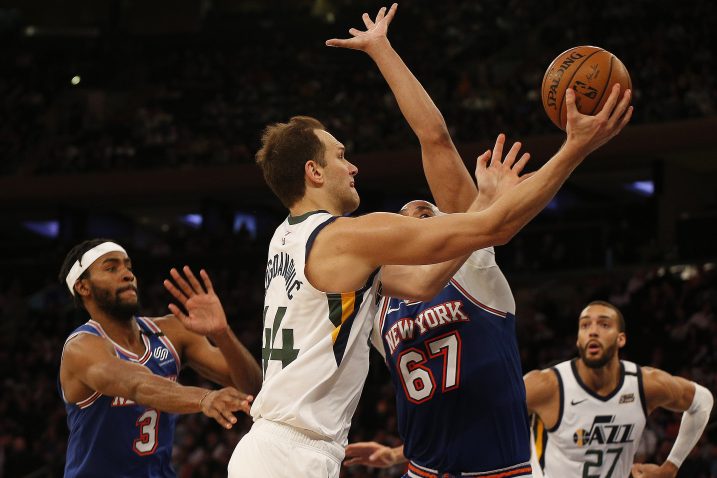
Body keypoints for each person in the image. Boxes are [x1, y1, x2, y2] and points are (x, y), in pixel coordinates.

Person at [228, 3, 632, 477]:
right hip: (298, 453)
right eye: (341, 156)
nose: (353, 165)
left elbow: (439, 158)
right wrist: (574, 149)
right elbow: (484, 225)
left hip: (461, 464)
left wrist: (382, 50)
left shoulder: (291, 241)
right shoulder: (353, 243)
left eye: (425, 214)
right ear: (313, 172)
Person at [337, 5, 534, 477]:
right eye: (405, 215)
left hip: (499, 471)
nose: (416, 213)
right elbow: (438, 407)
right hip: (422, 470)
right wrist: (397, 454)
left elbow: (435, 139)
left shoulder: (471, 260)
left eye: (427, 210)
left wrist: (382, 51)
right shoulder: (377, 304)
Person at [58, 238, 262, 477]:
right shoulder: (81, 347)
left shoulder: (173, 331)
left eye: (128, 267)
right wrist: (204, 398)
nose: (127, 275)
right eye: (111, 268)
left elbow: (252, 386)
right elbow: (138, 385)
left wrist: (222, 334)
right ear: (83, 287)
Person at [524, 301, 713, 478]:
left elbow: (702, 401)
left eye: (604, 325)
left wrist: (671, 466)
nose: (593, 331)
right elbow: (495, 421)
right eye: (585, 325)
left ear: (621, 339)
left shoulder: (644, 385)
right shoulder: (547, 386)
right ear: (578, 340)